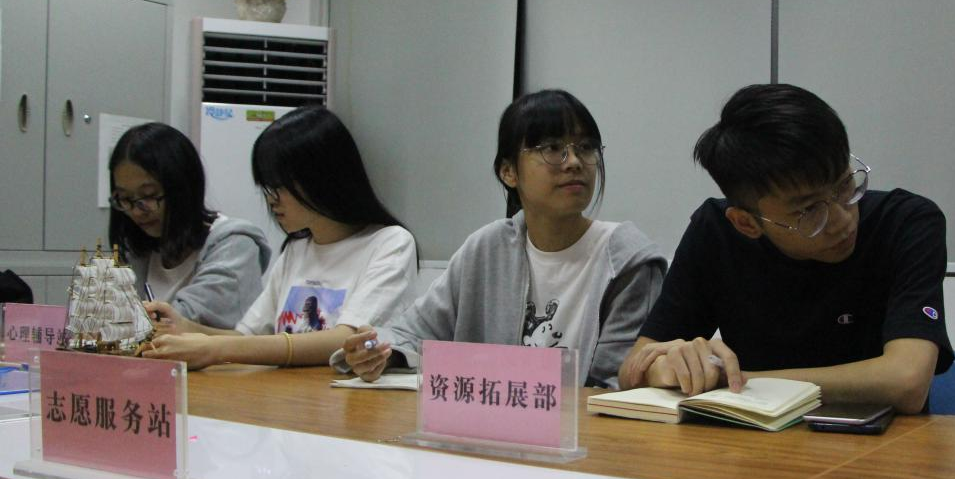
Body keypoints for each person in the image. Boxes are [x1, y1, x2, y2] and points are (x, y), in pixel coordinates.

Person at [617, 84, 953, 413]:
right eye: (809, 210)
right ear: (746, 223)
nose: (841, 219)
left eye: (844, 186)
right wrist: (669, 367)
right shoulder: (715, 233)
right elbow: (632, 371)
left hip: (879, 441)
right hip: (753, 440)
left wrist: (735, 380)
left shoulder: (906, 223)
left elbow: (907, 382)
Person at [338, 89, 667, 388]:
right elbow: (410, 333)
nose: (574, 162)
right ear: (508, 172)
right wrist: (377, 354)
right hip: (484, 428)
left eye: (586, 147)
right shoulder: (487, 249)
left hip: (584, 432)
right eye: (553, 148)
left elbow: (615, 383)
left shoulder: (626, 261)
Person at [142, 106, 419, 370]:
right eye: (266, 187)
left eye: (279, 186)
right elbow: (248, 338)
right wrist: (184, 328)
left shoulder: (390, 243)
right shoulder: (297, 249)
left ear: (322, 178)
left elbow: (346, 342)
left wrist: (215, 349)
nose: (271, 200)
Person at [109, 122, 270, 330]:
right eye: (124, 198)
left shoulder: (235, 244)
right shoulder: (138, 250)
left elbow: (179, 323)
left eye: (148, 195)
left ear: (182, 189)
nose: (137, 211)